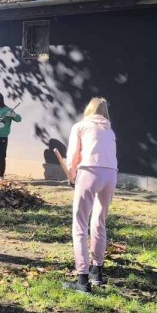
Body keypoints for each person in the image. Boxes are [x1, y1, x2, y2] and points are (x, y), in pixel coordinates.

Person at [63, 97, 117, 293]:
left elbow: (72, 157)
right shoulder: (110, 130)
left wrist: (71, 176)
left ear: (89, 109)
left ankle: (82, 279)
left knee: (80, 224)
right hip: (111, 175)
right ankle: (97, 272)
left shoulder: (80, 126)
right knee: (99, 221)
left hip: (89, 172)